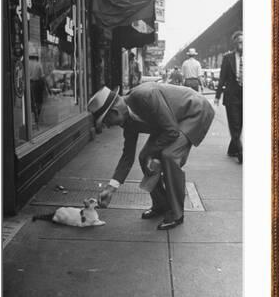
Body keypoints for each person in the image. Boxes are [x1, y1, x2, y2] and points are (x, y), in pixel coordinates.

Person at [88, 82, 214, 230]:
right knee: (143, 158)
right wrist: (110, 188)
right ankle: (161, 204)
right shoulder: (127, 120)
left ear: (114, 112)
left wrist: (151, 153)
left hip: (194, 111)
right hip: (170, 122)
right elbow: (127, 157)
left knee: (169, 155)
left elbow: (172, 131)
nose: (108, 126)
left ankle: (176, 213)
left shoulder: (145, 96)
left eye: (106, 122)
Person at [214, 30, 243, 164]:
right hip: (231, 95)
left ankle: (232, 149)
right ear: (235, 44)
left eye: (244, 42)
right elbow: (222, 78)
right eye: (239, 42)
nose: (242, 44)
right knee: (234, 124)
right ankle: (240, 151)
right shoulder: (228, 58)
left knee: (240, 125)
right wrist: (217, 96)